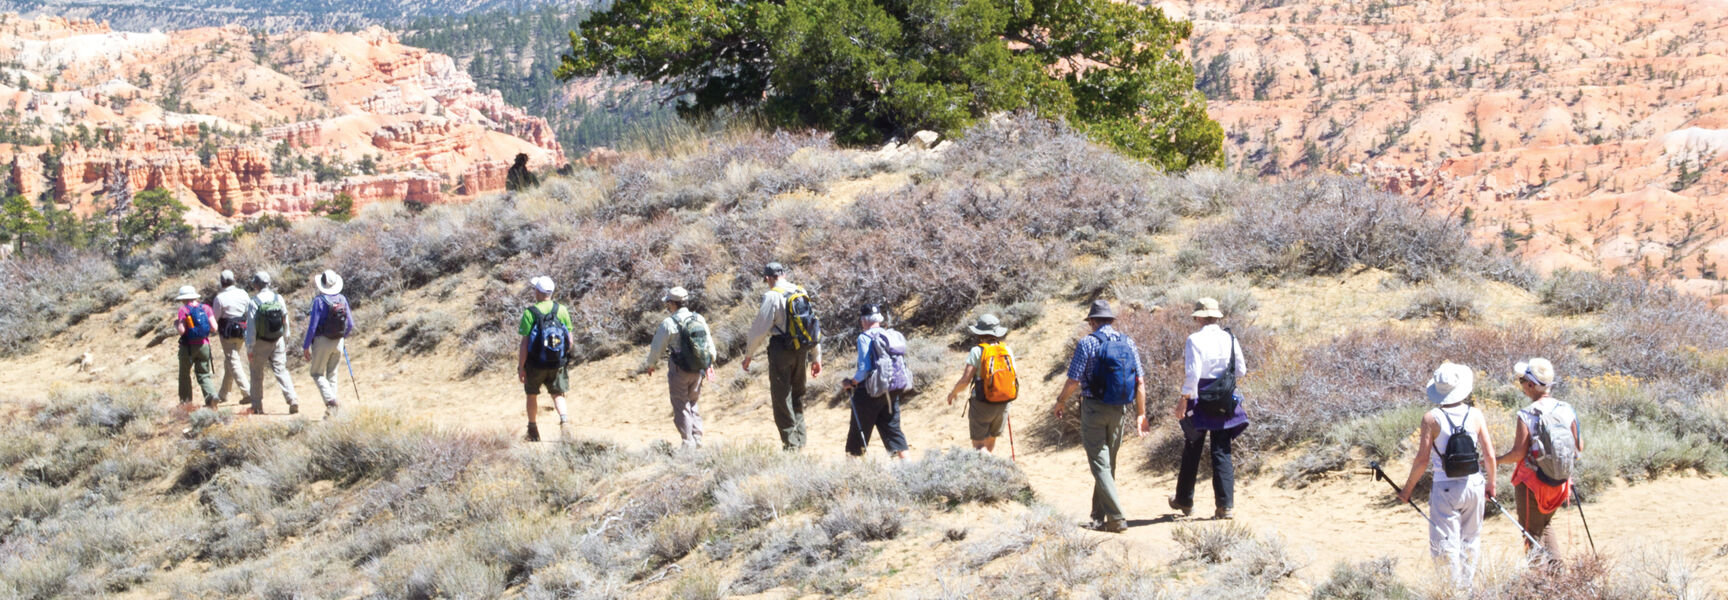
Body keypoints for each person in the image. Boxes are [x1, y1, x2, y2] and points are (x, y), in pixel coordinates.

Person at [1398, 362, 1497, 589]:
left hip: (1445, 488)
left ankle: (1452, 591)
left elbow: (1422, 460)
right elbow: (1489, 455)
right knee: (1471, 540)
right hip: (1474, 484)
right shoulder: (1475, 414)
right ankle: (1468, 588)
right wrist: (1491, 484)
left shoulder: (1431, 419)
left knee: (1445, 544)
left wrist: (1407, 489)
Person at [1052, 300, 1148, 533]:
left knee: (1099, 463)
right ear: (1111, 320)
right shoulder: (1127, 342)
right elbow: (1140, 381)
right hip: (1119, 409)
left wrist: (1061, 401)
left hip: (1094, 408)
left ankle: (1116, 518)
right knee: (1108, 463)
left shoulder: (1087, 343)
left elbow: (1074, 380)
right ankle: (1097, 516)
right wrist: (1141, 414)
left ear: (1093, 321)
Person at [1169, 298, 1249, 520]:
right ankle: (1225, 506)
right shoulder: (1230, 338)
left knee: (1192, 446)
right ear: (1217, 316)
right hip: (1224, 397)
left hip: (1199, 396)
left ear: (1198, 317)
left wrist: (1184, 398)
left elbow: (1193, 374)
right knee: (1221, 450)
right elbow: (1241, 370)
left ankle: (1184, 500)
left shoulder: (1194, 339)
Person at [1494, 358, 1581, 560]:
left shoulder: (1527, 414)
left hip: (1532, 484)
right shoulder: (1567, 409)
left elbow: (1518, 454)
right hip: (1560, 484)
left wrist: (1494, 460)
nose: (1522, 387)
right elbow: (1579, 447)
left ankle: (1539, 585)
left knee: (1531, 534)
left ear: (1531, 385)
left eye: (1523, 382)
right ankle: (1558, 579)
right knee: (1545, 525)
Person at [741, 262, 823, 451]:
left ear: (768, 278)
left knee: (781, 398)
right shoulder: (800, 291)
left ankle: (791, 446)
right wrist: (816, 357)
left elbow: (759, 330)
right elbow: (812, 326)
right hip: (801, 349)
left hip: (781, 350)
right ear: (784, 275)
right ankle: (800, 442)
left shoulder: (772, 296)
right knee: (797, 395)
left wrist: (749, 355)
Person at [640, 286, 716, 449]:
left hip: (679, 369)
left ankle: (687, 442)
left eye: (668, 303)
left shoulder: (668, 323)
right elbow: (709, 344)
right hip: (698, 369)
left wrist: (651, 364)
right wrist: (709, 362)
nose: (667, 306)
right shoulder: (699, 319)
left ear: (673, 304)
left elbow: (657, 347)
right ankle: (697, 437)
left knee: (681, 405)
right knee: (693, 402)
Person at [842, 304, 910, 459]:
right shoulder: (890, 335)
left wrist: (851, 382)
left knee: (857, 434)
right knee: (893, 430)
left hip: (869, 391)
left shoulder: (864, 337)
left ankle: (850, 473)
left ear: (864, 320)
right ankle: (908, 467)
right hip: (891, 390)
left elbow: (864, 369)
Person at [944, 313, 1018, 453]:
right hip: (1004, 403)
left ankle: (987, 469)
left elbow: (965, 380)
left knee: (979, 447)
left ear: (980, 333)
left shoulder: (977, 351)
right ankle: (989, 471)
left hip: (982, 403)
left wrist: (953, 393)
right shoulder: (1007, 350)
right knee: (990, 441)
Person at [518, 276, 573, 442]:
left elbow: (524, 345)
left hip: (535, 364)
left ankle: (533, 430)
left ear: (538, 292)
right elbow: (569, 341)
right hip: (556, 363)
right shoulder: (561, 310)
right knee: (558, 393)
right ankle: (564, 422)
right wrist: (561, 357)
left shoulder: (530, 313)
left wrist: (521, 367)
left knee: (531, 395)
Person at [244, 271, 300, 415]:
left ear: (256, 285)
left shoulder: (254, 302)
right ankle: (292, 399)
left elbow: (251, 328)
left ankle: (257, 406)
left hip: (260, 343)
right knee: (281, 370)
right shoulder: (278, 298)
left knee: (256, 373)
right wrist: (285, 339)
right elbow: (285, 320)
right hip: (277, 340)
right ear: (268, 283)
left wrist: (249, 348)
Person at [302, 270, 354, 419]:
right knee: (332, 374)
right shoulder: (342, 299)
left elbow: (313, 326)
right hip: (338, 341)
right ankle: (332, 413)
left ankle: (331, 402)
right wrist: (342, 337)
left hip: (322, 341)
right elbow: (350, 324)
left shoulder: (319, 301)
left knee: (316, 373)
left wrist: (306, 346)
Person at [173, 285, 220, 408]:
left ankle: (186, 403)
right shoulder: (206, 308)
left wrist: (176, 324)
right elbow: (214, 328)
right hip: (204, 345)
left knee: (184, 375)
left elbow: (182, 331)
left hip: (187, 347)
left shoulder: (184, 310)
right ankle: (211, 397)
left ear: (183, 299)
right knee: (204, 374)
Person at [212, 270, 252, 404]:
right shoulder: (243, 293)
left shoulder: (220, 298)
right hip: (242, 330)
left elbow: (215, 317)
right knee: (229, 361)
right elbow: (249, 310)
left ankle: (247, 392)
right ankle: (223, 393)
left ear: (221, 282)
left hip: (227, 332)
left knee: (233, 361)